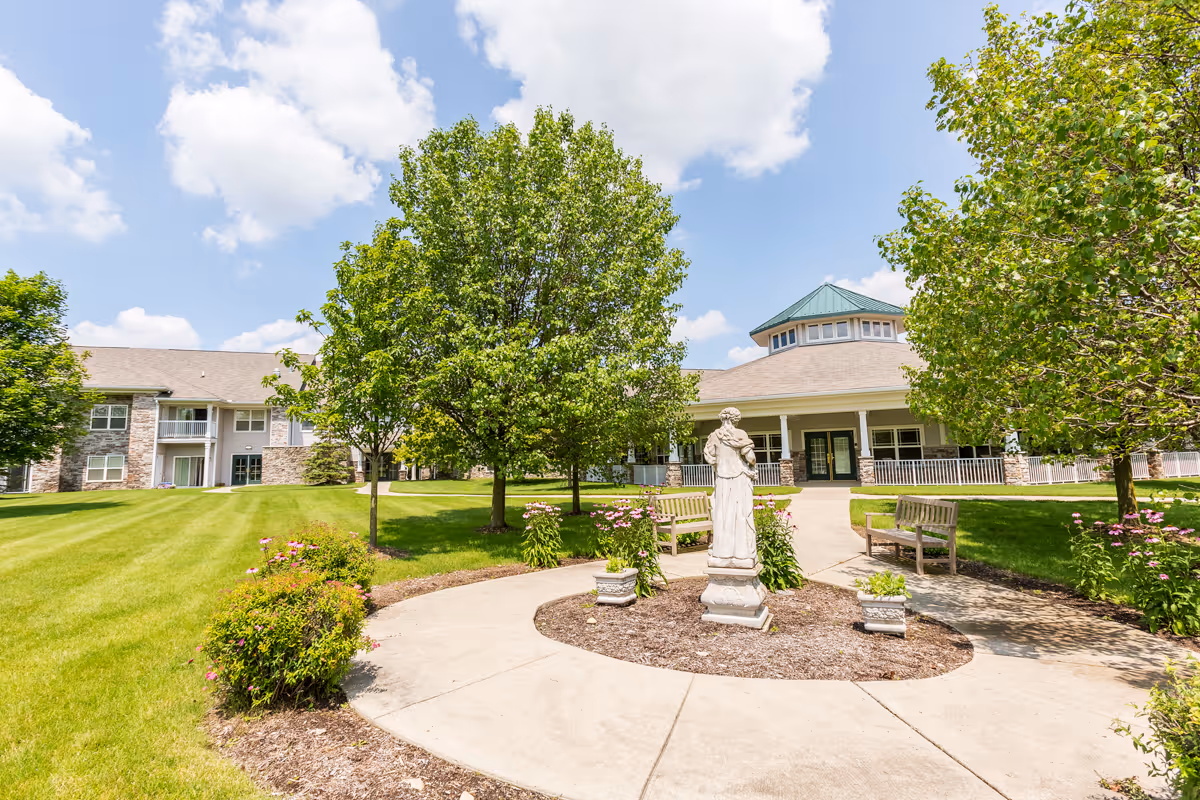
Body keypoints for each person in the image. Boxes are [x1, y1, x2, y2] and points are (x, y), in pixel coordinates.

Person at [703, 406, 758, 568]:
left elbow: (710, 458)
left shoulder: (713, 436)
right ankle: (742, 553)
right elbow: (751, 458)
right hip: (739, 479)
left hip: (722, 480)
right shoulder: (740, 435)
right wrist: (751, 465)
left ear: (722, 419)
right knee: (740, 515)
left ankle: (722, 553)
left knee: (722, 515)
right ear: (736, 419)